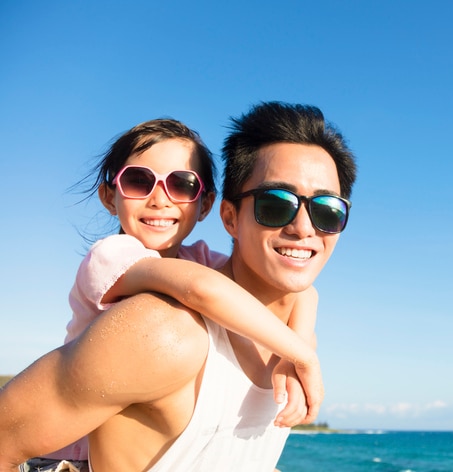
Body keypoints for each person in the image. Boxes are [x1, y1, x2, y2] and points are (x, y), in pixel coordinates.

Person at [0, 101, 357, 472]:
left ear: (203, 204)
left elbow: (300, 292)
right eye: (275, 203)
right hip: (59, 455)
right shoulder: (133, 283)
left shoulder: (201, 265)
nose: (303, 227)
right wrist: (303, 355)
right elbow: (200, 289)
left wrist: (295, 348)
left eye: (328, 209)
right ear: (228, 217)